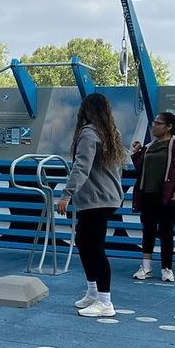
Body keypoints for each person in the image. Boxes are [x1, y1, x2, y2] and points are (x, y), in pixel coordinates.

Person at [56, 92, 126, 317]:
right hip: (106, 197)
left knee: (93, 247)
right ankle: (93, 292)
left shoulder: (88, 133)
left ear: (86, 111)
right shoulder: (111, 133)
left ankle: (105, 301)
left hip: (96, 199)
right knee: (85, 243)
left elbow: (81, 166)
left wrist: (66, 194)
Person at [130, 112, 175, 284]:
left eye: (158, 123)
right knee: (148, 230)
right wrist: (137, 152)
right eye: (154, 123)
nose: (154, 126)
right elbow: (141, 169)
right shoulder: (149, 146)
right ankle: (146, 267)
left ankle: (167, 268)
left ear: (169, 126)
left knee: (166, 231)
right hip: (147, 194)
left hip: (167, 196)